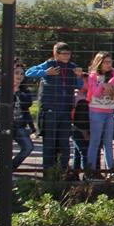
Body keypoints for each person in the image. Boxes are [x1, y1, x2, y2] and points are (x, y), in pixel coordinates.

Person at [26, 42, 81, 173]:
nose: (67, 56)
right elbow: (29, 72)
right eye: (64, 53)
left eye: (69, 53)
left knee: (64, 144)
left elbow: (78, 85)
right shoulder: (48, 65)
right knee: (49, 144)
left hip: (65, 110)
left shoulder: (72, 67)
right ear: (56, 53)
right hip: (50, 110)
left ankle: (63, 172)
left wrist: (78, 76)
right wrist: (45, 72)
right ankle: (48, 173)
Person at [85, 52, 114, 175]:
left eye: (110, 62)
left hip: (109, 111)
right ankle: (90, 169)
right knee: (95, 141)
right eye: (106, 62)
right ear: (99, 62)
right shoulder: (93, 76)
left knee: (108, 142)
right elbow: (96, 93)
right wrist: (103, 85)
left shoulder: (112, 74)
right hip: (96, 111)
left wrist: (110, 82)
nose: (109, 65)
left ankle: (110, 170)